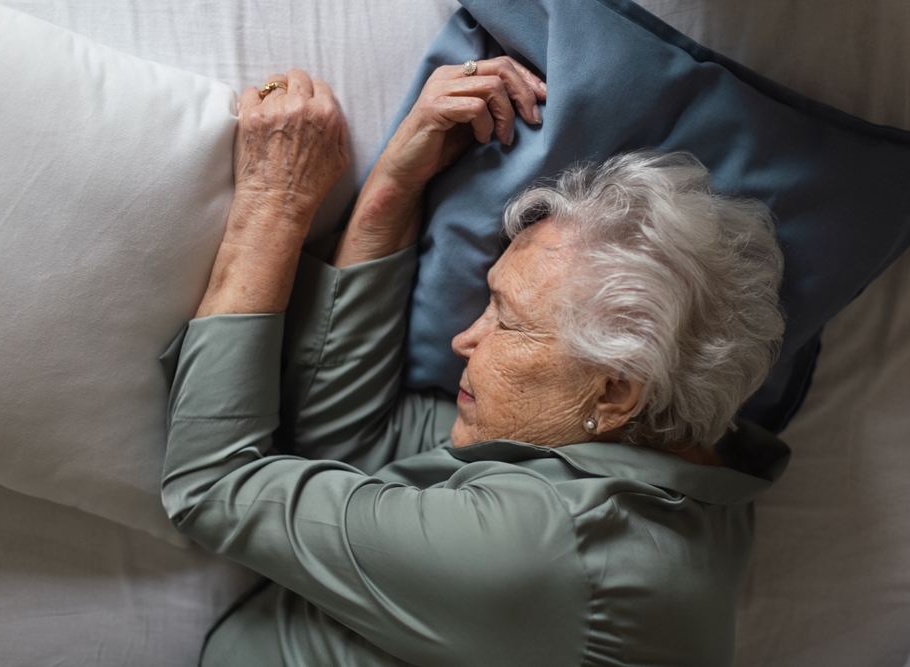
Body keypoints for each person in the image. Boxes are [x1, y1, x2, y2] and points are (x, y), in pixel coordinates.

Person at [160, 57, 790, 667]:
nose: (465, 338)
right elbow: (352, 450)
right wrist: (394, 187)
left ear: (615, 391)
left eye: (505, 320)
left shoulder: (535, 552)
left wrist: (275, 200)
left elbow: (211, 487)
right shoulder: (688, 469)